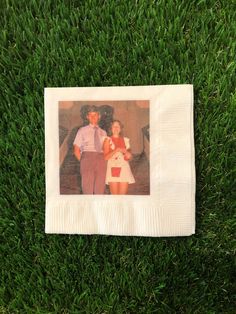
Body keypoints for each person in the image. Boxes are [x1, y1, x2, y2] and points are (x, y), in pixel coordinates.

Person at [73, 106, 107, 194]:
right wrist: (83, 161)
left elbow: (106, 149)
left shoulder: (103, 132)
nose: (93, 117)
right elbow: (76, 149)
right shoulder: (82, 130)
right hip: (87, 158)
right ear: (87, 117)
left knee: (100, 188)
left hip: (101, 159)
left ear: (99, 116)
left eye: (95, 115)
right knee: (87, 188)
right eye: (90, 115)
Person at [103, 120, 135, 195]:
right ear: (111, 128)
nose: (116, 128)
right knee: (115, 196)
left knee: (122, 196)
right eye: (114, 126)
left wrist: (128, 154)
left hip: (124, 168)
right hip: (112, 168)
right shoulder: (107, 140)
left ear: (120, 129)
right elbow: (106, 157)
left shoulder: (126, 140)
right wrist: (116, 150)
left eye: (118, 126)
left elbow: (130, 157)